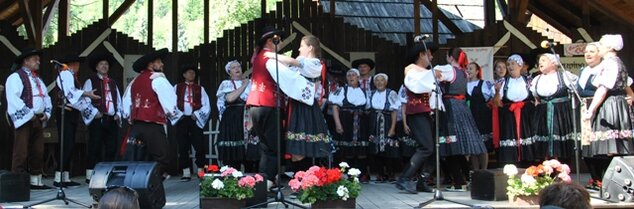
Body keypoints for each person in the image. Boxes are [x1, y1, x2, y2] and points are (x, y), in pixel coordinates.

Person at [265, 35, 332, 170]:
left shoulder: (315, 64)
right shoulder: (301, 62)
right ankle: (300, 179)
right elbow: (287, 69)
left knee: (301, 144)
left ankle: (305, 180)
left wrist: (271, 55)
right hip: (295, 105)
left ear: (310, 48)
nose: (299, 48)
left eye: (302, 46)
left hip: (306, 107)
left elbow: (295, 63)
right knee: (295, 144)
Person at [122, 48, 183, 178]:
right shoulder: (159, 79)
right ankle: (152, 182)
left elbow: (126, 103)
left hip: (136, 126)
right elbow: (171, 104)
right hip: (153, 125)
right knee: (163, 156)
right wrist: (174, 116)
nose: (162, 64)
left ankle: (137, 183)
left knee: (138, 155)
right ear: (151, 65)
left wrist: (131, 116)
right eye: (159, 62)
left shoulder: (134, 81)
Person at [434, 47, 487, 191]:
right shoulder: (463, 72)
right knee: (456, 147)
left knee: (450, 145)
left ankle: (459, 182)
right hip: (461, 108)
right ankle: (466, 178)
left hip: (450, 109)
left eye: (447, 55)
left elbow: (433, 74)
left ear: (451, 57)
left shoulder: (449, 70)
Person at [584, 34, 634, 174]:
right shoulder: (615, 62)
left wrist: (591, 109)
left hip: (611, 105)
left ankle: (613, 178)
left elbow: (603, 89)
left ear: (610, 47)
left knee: (611, 145)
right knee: (615, 145)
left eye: (601, 43)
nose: (598, 46)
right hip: (616, 104)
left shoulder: (610, 63)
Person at [5, 48, 53, 190]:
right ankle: (17, 184)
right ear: (25, 61)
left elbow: (46, 97)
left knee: (38, 150)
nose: (38, 62)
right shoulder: (15, 77)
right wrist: (29, 114)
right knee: (21, 152)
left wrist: (47, 113)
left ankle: (35, 181)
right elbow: (13, 99)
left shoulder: (37, 79)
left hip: (38, 119)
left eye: (38, 59)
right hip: (25, 119)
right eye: (35, 59)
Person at [246, 26, 287, 186]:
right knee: (274, 147)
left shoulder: (258, 57)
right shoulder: (269, 57)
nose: (281, 43)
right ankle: (267, 182)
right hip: (269, 104)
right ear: (271, 41)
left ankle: (266, 180)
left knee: (265, 146)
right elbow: (285, 78)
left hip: (256, 105)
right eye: (279, 41)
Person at [395, 42, 437, 194]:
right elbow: (417, 86)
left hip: (426, 112)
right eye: (429, 54)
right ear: (421, 54)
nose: (431, 57)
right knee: (426, 147)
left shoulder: (426, 72)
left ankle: (423, 181)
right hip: (416, 112)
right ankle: (404, 178)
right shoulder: (412, 71)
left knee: (433, 150)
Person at [53, 54, 101, 187]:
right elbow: (71, 93)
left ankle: (65, 177)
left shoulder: (71, 76)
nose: (78, 67)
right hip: (65, 112)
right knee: (66, 144)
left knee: (69, 143)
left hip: (70, 112)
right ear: (72, 64)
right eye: (77, 64)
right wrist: (87, 94)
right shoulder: (65, 74)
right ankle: (59, 177)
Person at [577, 42, 612, 190]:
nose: (588, 54)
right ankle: (595, 179)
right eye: (586, 52)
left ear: (600, 54)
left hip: (600, 108)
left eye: (592, 51)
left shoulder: (606, 68)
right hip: (584, 107)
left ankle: (605, 179)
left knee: (600, 144)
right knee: (587, 146)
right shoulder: (584, 70)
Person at [83, 52, 122, 184]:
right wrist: (94, 113)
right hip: (98, 119)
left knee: (111, 147)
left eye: (106, 64)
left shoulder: (112, 83)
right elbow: (85, 100)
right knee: (95, 147)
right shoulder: (90, 81)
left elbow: (118, 100)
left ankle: (108, 174)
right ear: (96, 67)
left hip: (111, 119)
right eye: (101, 64)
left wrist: (118, 113)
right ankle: (90, 175)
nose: (104, 66)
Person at [530, 53, 578, 160]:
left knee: (560, 142)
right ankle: (546, 169)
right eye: (540, 60)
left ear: (553, 62)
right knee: (544, 143)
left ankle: (562, 168)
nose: (540, 63)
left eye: (543, 60)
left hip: (560, 114)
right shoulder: (537, 79)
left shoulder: (564, 76)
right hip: (543, 114)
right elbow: (537, 99)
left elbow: (576, 94)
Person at [494, 54, 536, 165]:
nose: (510, 67)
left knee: (525, 138)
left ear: (520, 65)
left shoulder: (528, 80)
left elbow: (536, 98)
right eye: (508, 64)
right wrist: (497, 91)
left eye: (513, 64)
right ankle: (512, 164)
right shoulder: (503, 82)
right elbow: (497, 103)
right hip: (509, 115)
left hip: (525, 115)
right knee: (511, 138)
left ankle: (528, 164)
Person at [329, 69, 369, 182]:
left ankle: (360, 174)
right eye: (349, 75)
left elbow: (368, 108)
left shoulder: (364, 91)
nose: (351, 77)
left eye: (354, 75)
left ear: (358, 78)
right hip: (345, 122)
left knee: (361, 150)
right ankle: (346, 175)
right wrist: (338, 124)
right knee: (346, 150)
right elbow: (335, 107)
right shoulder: (341, 90)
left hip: (361, 123)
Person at [216, 60, 256, 171]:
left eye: (239, 66)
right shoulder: (226, 84)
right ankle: (233, 174)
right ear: (229, 72)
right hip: (232, 117)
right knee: (234, 149)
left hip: (247, 116)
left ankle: (250, 175)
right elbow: (230, 98)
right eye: (234, 67)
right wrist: (244, 85)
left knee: (249, 147)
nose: (237, 68)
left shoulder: (251, 82)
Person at [174, 65, 210, 181]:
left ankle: (200, 170)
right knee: (183, 145)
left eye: (193, 73)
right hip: (182, 119)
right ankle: (186, 172)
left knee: (199, 145)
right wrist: (178, 115)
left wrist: (198, 114)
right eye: (189, 72)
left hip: (195, 119)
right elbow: (171, 102)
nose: (191, 75)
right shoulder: (177, 88)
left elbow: (206, 105)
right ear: (184, 75)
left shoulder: (200, 89)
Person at [367, 73, 400, 182]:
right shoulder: (371, 93)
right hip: (374, 123)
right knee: (376, 149)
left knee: (389, 149)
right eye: (377, 81)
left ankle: (391, 173)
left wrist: (392, 128)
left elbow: (395, 111)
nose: (379, 83)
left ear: (386, 82)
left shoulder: (391, 93)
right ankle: (380, 173)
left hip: (387, 122)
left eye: (382, 80)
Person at [466, 62, 494, 170]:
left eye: (471, 68)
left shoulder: (483, 84)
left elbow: (490, 98)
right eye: (467, 68)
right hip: (469, 117)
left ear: (477, 71)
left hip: (481, 117)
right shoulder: (464, 84)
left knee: (483, 145)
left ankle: (484, 170)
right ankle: (476, 171)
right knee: (473, 147)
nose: (468, 70)